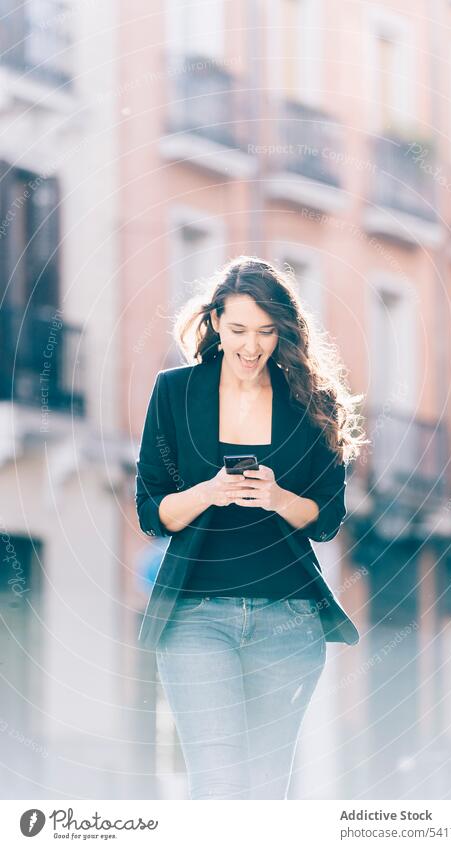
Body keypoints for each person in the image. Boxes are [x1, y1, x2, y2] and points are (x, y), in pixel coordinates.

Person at [135, 256, 367, 799]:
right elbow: (152, 512)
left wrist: (277, 497)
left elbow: (327, 519)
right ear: (216, 322)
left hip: (289, 619)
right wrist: (211, 492)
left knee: (266, 789)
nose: (251, 345)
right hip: (194, 615)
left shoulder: (313, 403)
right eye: (238, 329)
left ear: (282, 331)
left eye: (266, 331)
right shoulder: (174, 393)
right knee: (218, 784)